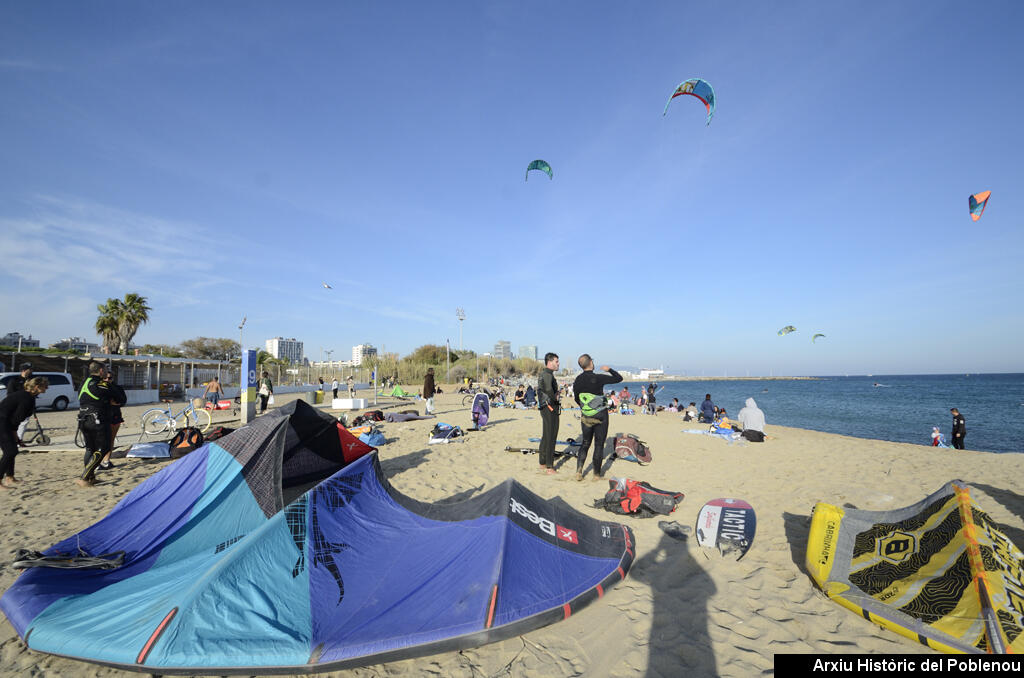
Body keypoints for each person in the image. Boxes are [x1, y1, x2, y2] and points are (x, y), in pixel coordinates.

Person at [572, 355, 622, 481]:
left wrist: (586, 408)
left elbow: (577, 398)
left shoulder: (577, 380)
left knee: (585, 443)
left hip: (586, 415)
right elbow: (618, 378)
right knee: (599, 445)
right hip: (601, 415)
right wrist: (609, 369)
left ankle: (579, 471)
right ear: (590, 363)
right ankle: (596, 475)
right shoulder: (598, 378)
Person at [0, 376, 48, 488]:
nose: (47, 388)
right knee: (10, 452)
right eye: (45, 386)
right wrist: (14, 432)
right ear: (37, 387)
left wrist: (14, 432)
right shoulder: (26, 398)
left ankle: (10, 477)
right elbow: (17, 418)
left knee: (12, 450)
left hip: (6, 422)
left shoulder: (27, 395)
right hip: (2, 422)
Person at [77, 362, 115, 487]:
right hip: (96, 419)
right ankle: (84, 477)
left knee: (90, 448)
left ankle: (91, 478)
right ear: (100, 371)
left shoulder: (84, 382)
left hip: (83, 418)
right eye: (105, 370)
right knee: (104, 447)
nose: (106, 372)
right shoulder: (100, 383)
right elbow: (119, 398)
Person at [537, 353, 560, 475]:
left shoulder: (547, 374)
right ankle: (549, 466)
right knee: (551, 435)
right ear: (550, 362)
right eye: (556, 361)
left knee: (546, 435)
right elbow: (548, 389)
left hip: (546, 406)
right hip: (549, 407)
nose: (558, 364)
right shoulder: (547, 374)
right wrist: (555, 397)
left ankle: (543, 462)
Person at [101, 370, 127, 469]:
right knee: (102, 440)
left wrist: (117, 403)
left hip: (115, 416)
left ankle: (106, 460)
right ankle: (100, 460)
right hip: (102, 417)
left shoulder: (118, 388)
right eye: (105, 378)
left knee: (111, 439)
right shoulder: (99, 388)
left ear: (113, 378)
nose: (107, 380)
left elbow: (124, 400)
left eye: (110, 378)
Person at [9, 363, 32, 445]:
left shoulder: (30, 380)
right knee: (17, 423)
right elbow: (10, 394)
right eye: (29, 369)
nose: (31, 371)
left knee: (24, 422)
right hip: (16, 405)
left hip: (26, 405)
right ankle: (17, 441)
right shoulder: (14, 380)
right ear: (23, 370)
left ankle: (18, 440)